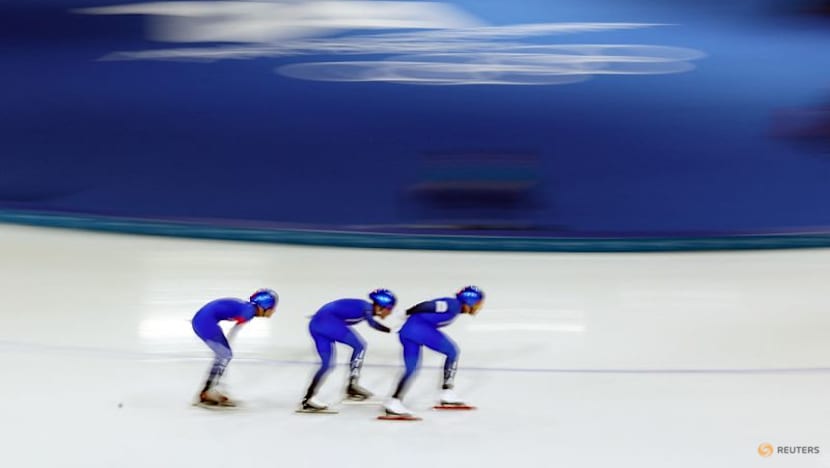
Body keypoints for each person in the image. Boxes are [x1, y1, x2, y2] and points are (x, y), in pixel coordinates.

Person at [383, 286, 484, 417]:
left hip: (407, 331)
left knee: (411, 369)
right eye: (477, 303)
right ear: (469, 302)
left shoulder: (454, 307)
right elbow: (428, 305)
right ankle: (447, 393)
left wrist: (407, 316)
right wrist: (407, 312)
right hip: (419, 329)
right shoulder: (452, 305)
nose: (478, 307)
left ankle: (393, 401)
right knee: (452, 351)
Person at [300, 289, 396, 411]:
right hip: (327, 322)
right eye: (389, 309)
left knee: (327, 364)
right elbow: (372, 324)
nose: (390, 313)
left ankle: (308, 398)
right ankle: (352, 385)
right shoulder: (366, 309)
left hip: (316, 324)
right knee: (360, 346)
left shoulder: (364, 307)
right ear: (380, 306)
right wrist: (392, 330)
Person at [191, 288, 278, 406]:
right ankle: (207, 391)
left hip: (203, 320)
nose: (273, 311)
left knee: (224, 355)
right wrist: (224, 349)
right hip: (204, 322)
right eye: (272, 308)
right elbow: (233, 332)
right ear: (264, 306)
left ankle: (209, 389)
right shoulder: (249, 312)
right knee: (225, 355)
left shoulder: (248, 309)